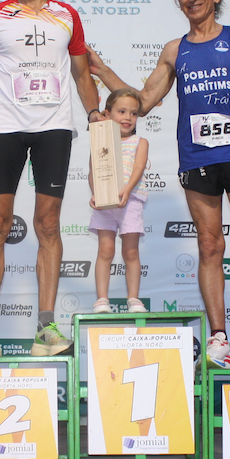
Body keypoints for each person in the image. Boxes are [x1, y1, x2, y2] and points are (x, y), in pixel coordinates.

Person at [88, 0, 230, 368]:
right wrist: (101, 69)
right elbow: (143, 101)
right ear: (179, 1)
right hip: (198, 158)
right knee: (210, 245)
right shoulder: (173, 50)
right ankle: (219, 340)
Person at [0, 0, 101, 358]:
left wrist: (96, 117)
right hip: (5, 128)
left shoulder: (67, 16)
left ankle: (46, 329)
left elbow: (82, 74)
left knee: (48, 223)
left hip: (53, 129)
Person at [88, 87, 149, 315]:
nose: (127, 117)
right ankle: (102, 300)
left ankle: (133, 299)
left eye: (133, 113)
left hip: (130, 202)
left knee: (131, 252)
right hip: (105, 204)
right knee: (105, 250)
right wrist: (96, 194)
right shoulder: (99, 142)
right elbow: (93, 171)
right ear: (107, 114)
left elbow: (139, 168)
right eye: (121, 111)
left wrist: (126, 190)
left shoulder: (140, 142)